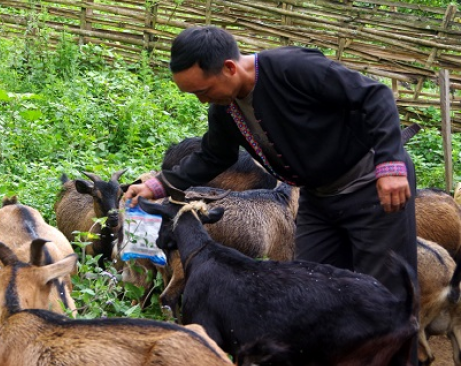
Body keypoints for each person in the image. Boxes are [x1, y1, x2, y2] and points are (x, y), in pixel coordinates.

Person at [124, 26, 417, 364]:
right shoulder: (225, 108)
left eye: (203, 90)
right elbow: (215, 156)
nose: (202, 99)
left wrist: (391, 164)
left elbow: (374, 95)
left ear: (230, 68)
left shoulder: (293, 68)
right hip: (318, 197)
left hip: (372, 186)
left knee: (387, 302)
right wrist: (158, 184)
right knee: (311, 293)